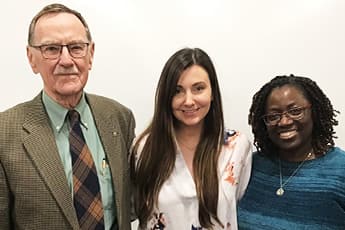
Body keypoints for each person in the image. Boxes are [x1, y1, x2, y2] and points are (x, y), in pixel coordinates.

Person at [0, 3, 135, 230]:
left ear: (90, 54)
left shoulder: (119, 118)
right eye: (51, 49)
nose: (66, 60)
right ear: (31, 58)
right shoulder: (5, 133)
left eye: (76, 47)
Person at [130, 47, 252, 229]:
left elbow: (240, 208)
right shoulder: (144, 148)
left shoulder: (237, 146)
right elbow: (135, 209)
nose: (188, 100)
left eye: (198, 89)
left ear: (212, 93)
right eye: (177, 91)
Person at [237, 74, 345, 229]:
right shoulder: (250, 167)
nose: (284, 122)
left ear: (314, 112)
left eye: (295, 111)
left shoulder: (340, 169)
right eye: (273, 116)